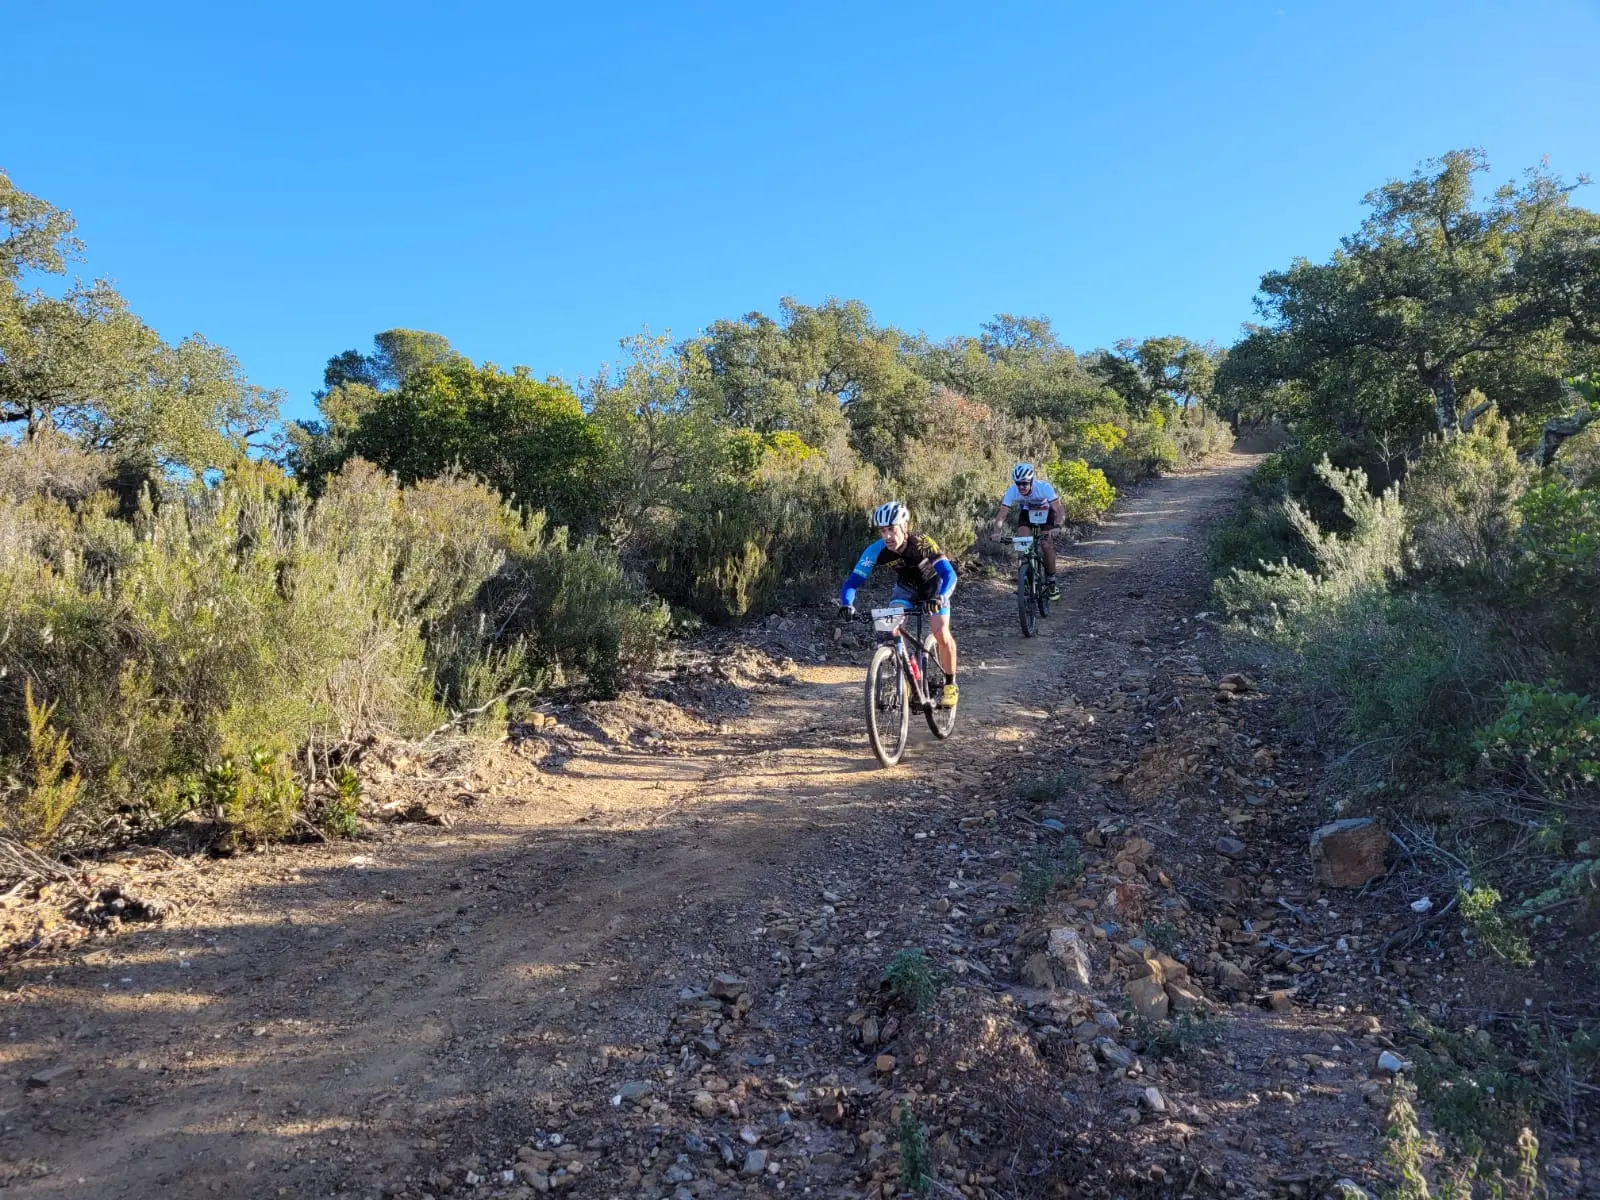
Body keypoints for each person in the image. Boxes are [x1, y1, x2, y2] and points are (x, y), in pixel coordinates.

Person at [838, 501, 960, 708]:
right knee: (890, 631)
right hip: (905, 589)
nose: (887, 536)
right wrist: (847, 604)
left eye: (891, 530)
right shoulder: (875, 550)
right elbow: (853, 581)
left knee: (940, 633)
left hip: (933, 588)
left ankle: (950, 684)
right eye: (882, 531)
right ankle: (907, 673)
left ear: (904, 527)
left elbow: (949, 574)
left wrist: (940, 597)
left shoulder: (922, 542)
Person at [990, 463, 1064, 599]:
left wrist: (1057, 526)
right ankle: (1025, 580)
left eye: (1024, 483)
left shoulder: (1044, 487)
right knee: (1022, 545)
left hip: (1046, 511)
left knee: (1046, 545)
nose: (1021, 487)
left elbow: (1059, 509)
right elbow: (1002, 514)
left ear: (1031, 481)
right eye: (1018, 484)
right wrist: (997, 531)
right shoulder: (1012, 490)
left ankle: (1052, 582)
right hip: (1027, 512)